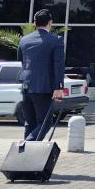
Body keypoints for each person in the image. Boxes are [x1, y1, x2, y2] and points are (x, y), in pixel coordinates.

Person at [18, 9, 65, 141]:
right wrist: (59, 88)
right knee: (45, 123)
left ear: (34, 23)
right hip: (43, 88)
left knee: (30, 123)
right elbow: (58, 65)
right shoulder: (56, 40)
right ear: (50, 23)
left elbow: (21, 61)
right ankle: (25, 144)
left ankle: (26, 151)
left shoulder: (24, 40)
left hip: (26, 86)